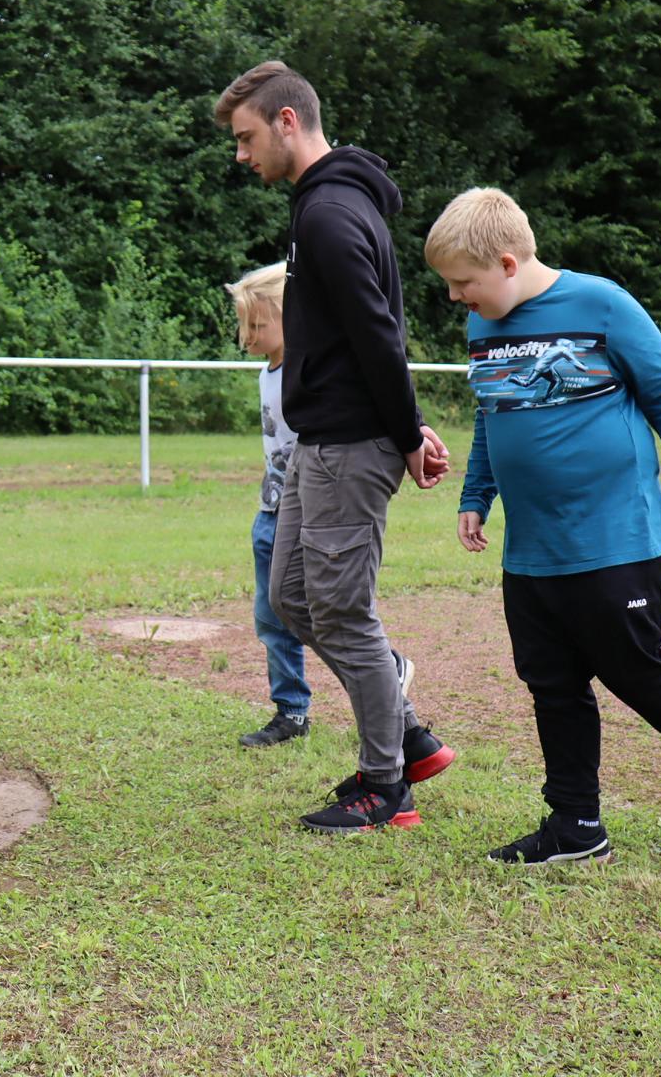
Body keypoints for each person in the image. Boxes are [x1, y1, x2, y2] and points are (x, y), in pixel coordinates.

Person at [426, 187, 661, 864]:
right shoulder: (483, 325)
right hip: (532, 546)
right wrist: (476, 492)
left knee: (633, 668)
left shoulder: (602, 304)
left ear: (507, 263)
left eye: (464, 283)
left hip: (616, 536)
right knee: (551, 680)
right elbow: (493, 414)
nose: (456, 297)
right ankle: (576, 824)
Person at [213, 60, 454, 833]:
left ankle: (386, 788)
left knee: (343, 612)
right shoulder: (320, 205)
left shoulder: (329, 213)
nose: (241, 154)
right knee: (292, 596)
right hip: (320, 440)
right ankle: (408, 736)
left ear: (287, 121)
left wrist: (406, 432)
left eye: (246, 137)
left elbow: (378, 332)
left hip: (352, 443)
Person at [223, 263, 311, 747]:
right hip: (270, 511)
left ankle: (384, 678)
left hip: (307, 515)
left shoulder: (307, 372)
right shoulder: (268, 372)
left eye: (257, 325)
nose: (247, 336)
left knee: (324, 613)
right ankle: (291, 710)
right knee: (269, 616)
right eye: (244, 325)